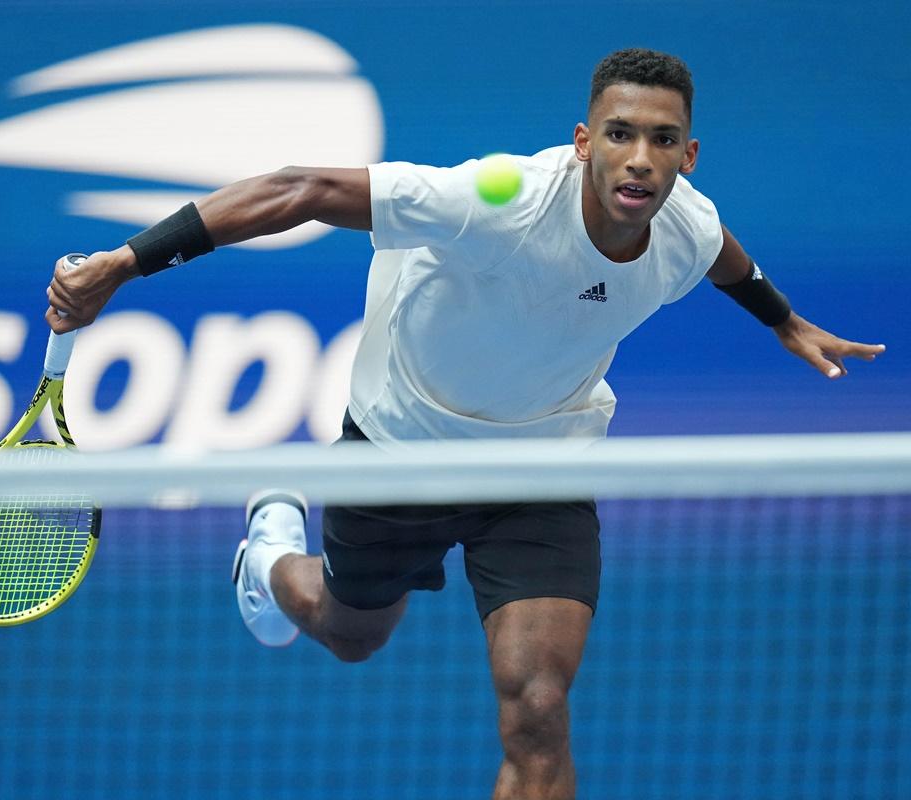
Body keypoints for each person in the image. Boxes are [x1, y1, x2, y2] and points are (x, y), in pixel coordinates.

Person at [44, 48, 884, 800]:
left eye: (663, 141)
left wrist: (782, 318)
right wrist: (126, 262)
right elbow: (301, 189)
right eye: (620, 134)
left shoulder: (684, 223)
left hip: (541, 470)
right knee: (350, 633)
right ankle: (269, 561)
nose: (641, 159)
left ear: (687, 156)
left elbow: (722, 254)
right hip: (401, 450)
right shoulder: (499, 201)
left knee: (540, 704)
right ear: (584, 141)